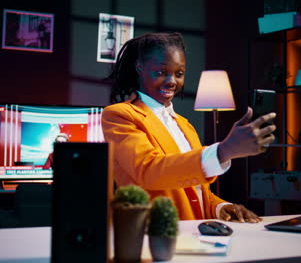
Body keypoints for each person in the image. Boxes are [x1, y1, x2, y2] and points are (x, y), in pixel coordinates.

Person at [101, 32, 276, 223]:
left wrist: (220, 207)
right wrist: (224, 151)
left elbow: (195, 191)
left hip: (193, 238)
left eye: (179, 74)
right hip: (152, 236)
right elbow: (148, 171)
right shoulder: (119, 115)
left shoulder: (184, 125)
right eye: (161, 72)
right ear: (140, 68)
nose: (172, 81)